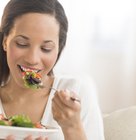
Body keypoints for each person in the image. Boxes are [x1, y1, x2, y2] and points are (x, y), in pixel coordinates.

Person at [0, 0, 105, 140]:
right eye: (22, 44)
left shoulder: (77, 90)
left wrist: (72, 127)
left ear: (58, 50)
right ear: (5, 41)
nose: (32, 59)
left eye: (46, 48)